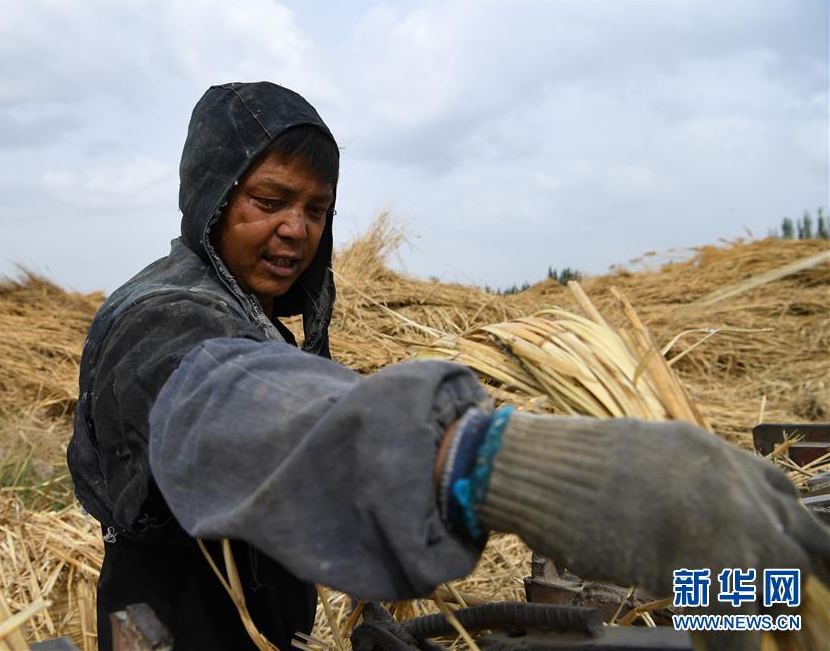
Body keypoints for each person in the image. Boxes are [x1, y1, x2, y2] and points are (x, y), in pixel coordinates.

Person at [68, 81, 828, 651]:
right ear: (211, 197)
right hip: (183, 626)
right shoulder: (163, 319)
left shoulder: (247, 309)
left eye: (316, 209)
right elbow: (244, 407)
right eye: (269, 201)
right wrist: (495, 464)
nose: (296, 229)